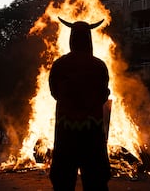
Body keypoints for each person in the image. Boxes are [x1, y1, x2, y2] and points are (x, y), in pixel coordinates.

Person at [49, 18, 111, 191]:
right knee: (95, 178)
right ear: (88, 39)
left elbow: (54, 92)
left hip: (66, 129)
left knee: (63, 177)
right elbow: (103, 93)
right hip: (92, 131)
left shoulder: (59, 65)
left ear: (72, 39)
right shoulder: (99, 66)